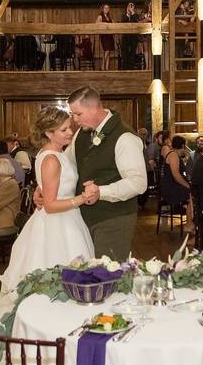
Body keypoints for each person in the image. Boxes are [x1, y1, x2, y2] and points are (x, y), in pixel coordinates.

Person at [0, 107, 95, 291]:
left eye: (69, 127)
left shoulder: (54, 154)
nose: (70, 132)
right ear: (49, 133)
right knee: (59, 278)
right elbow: (50, 206)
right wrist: (82, 198)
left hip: (66, 219)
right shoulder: (51, 159)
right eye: (64, 129)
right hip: (58, 224)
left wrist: (39, 191)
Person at [51, 87, 147, 259]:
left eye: (78, 114)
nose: (74, 120)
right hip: (84, 217)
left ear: (94, 108)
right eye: (73, 114)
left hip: (115, 218)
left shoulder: (125, 137)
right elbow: (65, 165)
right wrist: (45, 187)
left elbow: (138, 182)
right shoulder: (82, 133)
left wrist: (101, 191)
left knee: (108, 274)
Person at [160, 135, 191, 226]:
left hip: (171, 185)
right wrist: (187, 185)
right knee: (191, 193)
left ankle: (190, 220)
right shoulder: (173, 155)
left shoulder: (173, 154)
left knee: (191, 191)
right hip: (170, 188)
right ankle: (189, 224)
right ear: (182, 146)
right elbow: (176, 175)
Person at [120, 2, 140, 70]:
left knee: (132, 52)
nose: (131, 7)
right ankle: (125, 68)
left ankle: (131, 67)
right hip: (125, 37)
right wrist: (128, 14)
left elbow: (137, 21)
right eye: (129, 6)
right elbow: (122, 22)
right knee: (125, 52)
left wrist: (132, 13)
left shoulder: (136, 15)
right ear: (127, 7)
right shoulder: (124, 16)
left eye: (132, 6)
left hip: (133, 37)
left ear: (134, 8)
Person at [96, 4, 116, 71]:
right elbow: (97, 23)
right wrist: (106, 24)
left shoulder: (109, 17)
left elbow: (114, 24)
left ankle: (107, 67)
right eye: (105, 8)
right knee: (106, 50)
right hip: (104, 35)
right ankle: (102, 66)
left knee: (109, 51)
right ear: (102, 9)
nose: (106, 9)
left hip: (110, 35)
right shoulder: (100, 16)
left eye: (108, 8)